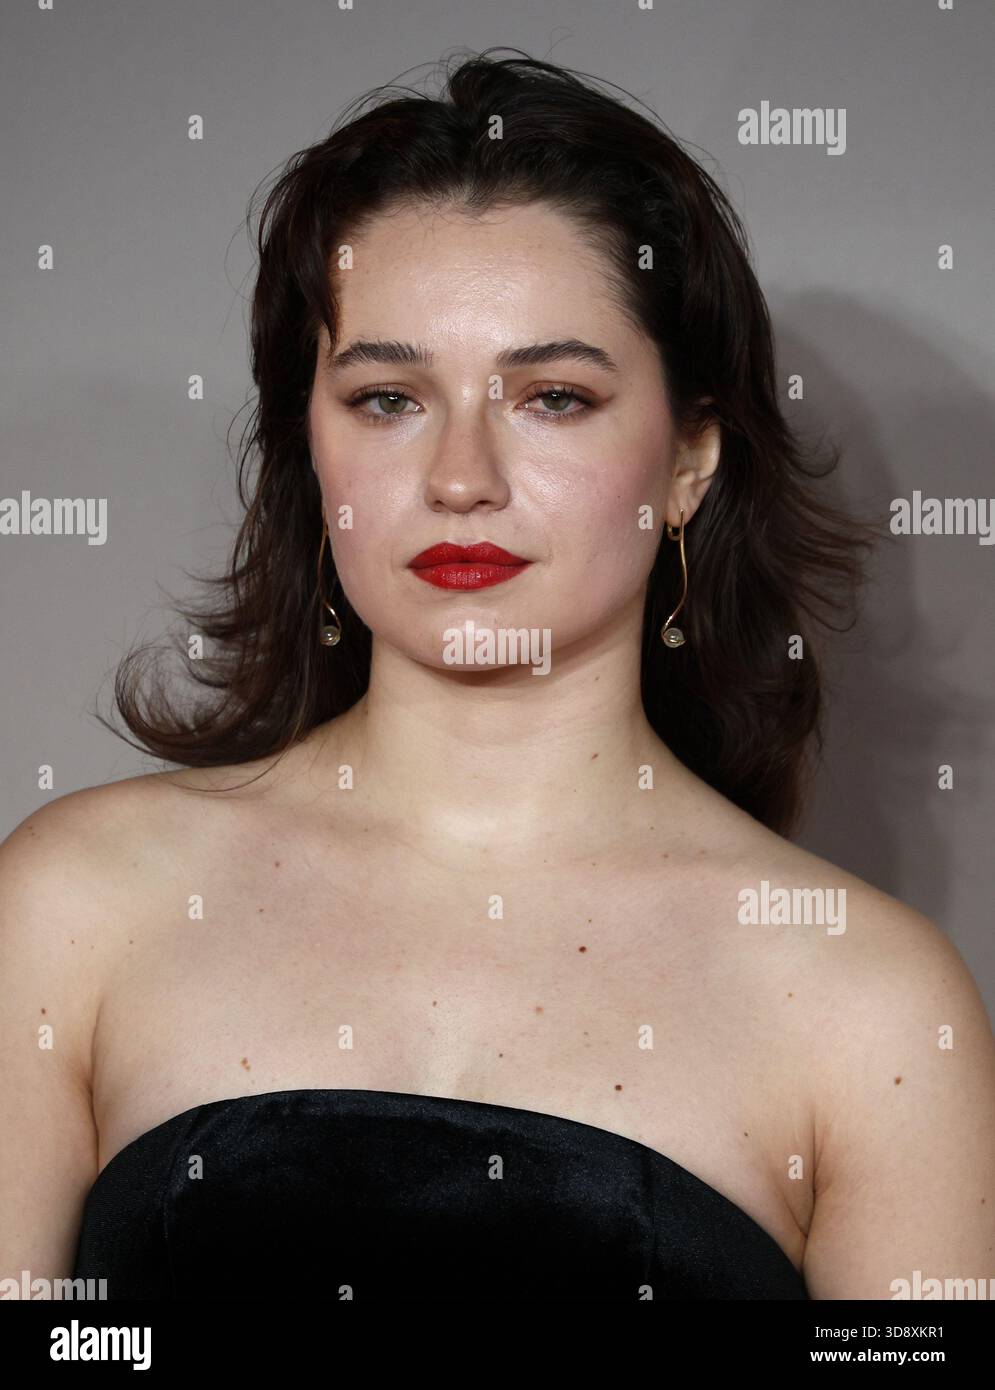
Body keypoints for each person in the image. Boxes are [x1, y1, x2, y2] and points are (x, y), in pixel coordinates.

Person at [2, 50, 992, 1302]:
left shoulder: (872, 1010)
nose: (460, 476)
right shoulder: (73, 907)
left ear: (690, 458)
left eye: (553, 397)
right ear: (308, 445)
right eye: (386, 399)